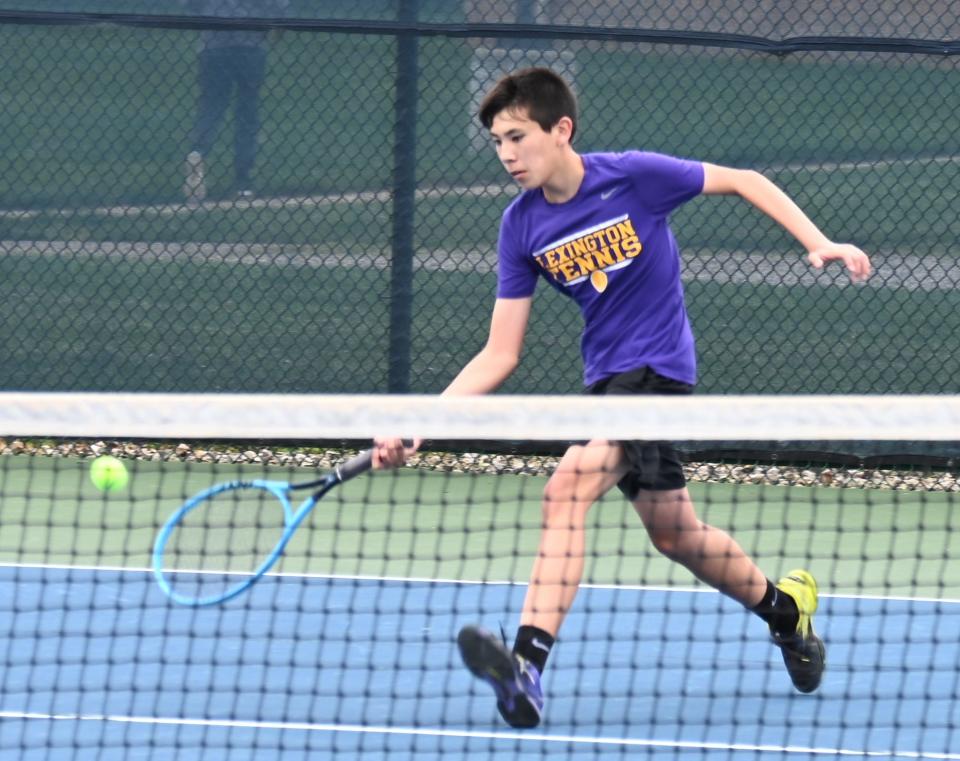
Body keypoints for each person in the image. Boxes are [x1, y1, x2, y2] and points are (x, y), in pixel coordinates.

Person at [373, 67, 871, 729]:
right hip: (605, 382)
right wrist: (422, 423)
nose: (506, 154)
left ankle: (526, 668)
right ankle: (788, 614)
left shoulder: (633, 176)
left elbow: (742, 180)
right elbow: (501, 351)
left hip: (660, 371)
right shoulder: (520, 226)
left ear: (561, 130)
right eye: (497, 141)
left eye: (517, 136)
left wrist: (819, 242)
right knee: (675, 533)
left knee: (565, 488)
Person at [182, 0, 288, 203]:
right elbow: (278, 8)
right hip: (250, 44)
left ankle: (198, 151)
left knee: (211, 106)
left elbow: (192, 4)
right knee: (247, 113)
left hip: (213, 44)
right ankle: (243, 181)